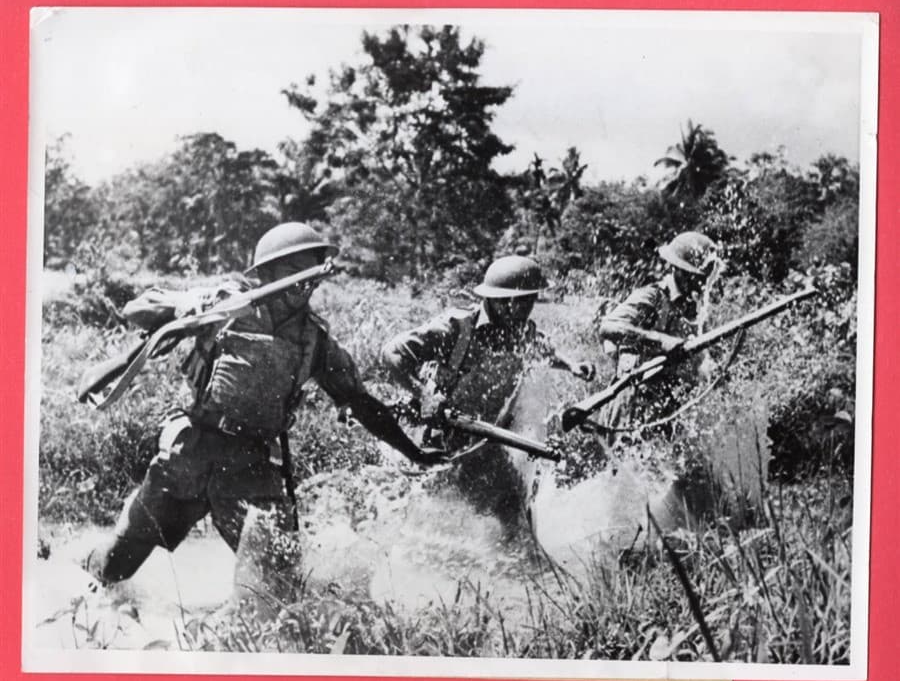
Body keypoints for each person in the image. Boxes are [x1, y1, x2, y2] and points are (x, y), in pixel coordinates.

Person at [84, 222, 442, 584]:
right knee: (115, 568)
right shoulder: (224, 306)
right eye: (293, 274)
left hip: (250, 466)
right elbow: (137, 308)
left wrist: (415, 453)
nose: (303, 286)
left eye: (310, 277)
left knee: (281, 587)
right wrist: (190, 306)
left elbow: (361, 403)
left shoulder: (314, 340)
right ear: (266, 273)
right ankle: (79, 572)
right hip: (188, 453)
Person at [381, 255, 595, 519]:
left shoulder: (521, 331)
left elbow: (543, 350)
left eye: (531, 300)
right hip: (436, 438)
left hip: (486, 440)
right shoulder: (455, 327)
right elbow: (392, 353)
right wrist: (424, 395)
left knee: (510, 509)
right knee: (426, 513)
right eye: (524, 301)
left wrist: (572, 365)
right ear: (504, 302)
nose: (528, 308)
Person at [597, 230, 720, 443]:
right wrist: (660, 340)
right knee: (623, 471)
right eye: (698, 277)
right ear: (680, 271)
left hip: (666, 410)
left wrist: (710, 369)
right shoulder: (652, 297)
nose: (703, 284)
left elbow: (699, 358)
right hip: (631, 407)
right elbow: (609, 326)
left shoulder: (694, 311)